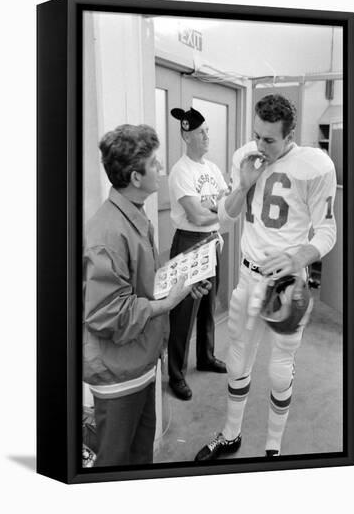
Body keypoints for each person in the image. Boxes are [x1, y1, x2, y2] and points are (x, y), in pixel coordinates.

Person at [194, 94, 337, 460]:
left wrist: (297, 257)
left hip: (286, 285)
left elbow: (327, 231)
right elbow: (225, 220)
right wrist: (243, 184)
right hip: (248, 276)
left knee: (279, 370)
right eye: (256, 135)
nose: (260, 144)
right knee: (238, 360)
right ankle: (230, 434)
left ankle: (273, 446)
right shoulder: (246, 155)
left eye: (269, 139)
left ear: (290, 135)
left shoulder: (315, 165)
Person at [83, 124, 211, 467]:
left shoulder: (135, 215)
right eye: (155, 164)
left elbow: (140, 284)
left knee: (139, 457)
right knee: (114, 462)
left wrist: (180, 285)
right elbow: (105, 313)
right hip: (117, 372)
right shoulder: (107, 233)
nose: (162, 169)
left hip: (140, 360)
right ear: (136, 177)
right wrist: (167, 303)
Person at [167, 107, 228, 401]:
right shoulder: (181, 171)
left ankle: (206, 357)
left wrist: (214, 213)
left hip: (211, 241)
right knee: (183, 313)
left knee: (208, 305)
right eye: (201, 132)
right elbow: (196, 216)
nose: (207, 136)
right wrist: (216, 211)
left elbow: (226, 205)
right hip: (189, 243)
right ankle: (176, 375)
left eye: (207, 131)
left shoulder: (212, 169)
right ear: (186, 136)